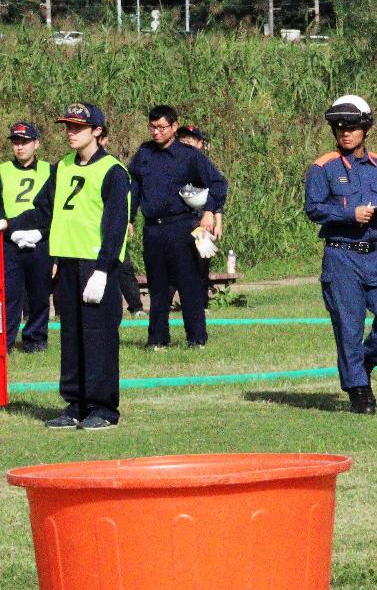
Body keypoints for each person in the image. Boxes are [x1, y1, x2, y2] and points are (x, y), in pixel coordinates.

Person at [24, 104, 130, 429]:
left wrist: (102, 268)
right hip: (67, 264)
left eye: (78, 127)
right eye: (67, 126)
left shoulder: (113, 171)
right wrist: (14, 225)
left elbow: (115, 224)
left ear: (97, 131)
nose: (71, 132)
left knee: (98, 336)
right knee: (71, 337)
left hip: (95, 266)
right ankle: (75, 404)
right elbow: (44, 209)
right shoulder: (63, 167)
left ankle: (103, 408)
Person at [304, 94, 377, 414]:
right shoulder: (322, 167)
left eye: (351, 127)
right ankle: (359, 391)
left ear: (365, 128)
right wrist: (351, 215)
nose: (344, 133)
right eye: (338, 127)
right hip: (341, 257)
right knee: (349, 327)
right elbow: (314, 209)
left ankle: (363, 362)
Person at [130, 104, 227, 349]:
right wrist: (129, 218)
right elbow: (134, 187)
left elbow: (217, 183)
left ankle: (196, 339)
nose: (156, 132)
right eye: (152, 127)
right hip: (153, 229)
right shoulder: (144, 153)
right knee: (158, 287)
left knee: (189, 284)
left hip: (182, 226)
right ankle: (157, 340)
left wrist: (209, 212)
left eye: (162, 127)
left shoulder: (189, 155)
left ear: (174, 127)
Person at [2, 121, 52, 353]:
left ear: (36, 143)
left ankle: (36, 339)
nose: (20, 147)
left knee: (40, 293)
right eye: (16, 142)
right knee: (10, 293)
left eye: (25, 142)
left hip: (40, 240)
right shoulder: (2, 170)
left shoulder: (50, 171)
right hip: (9, 241)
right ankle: (7, 340)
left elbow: (53, 208)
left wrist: (42, 232)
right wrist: (8, 229)